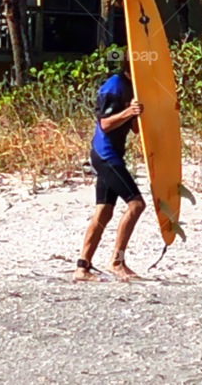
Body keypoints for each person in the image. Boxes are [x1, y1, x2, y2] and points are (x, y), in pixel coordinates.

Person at [74, 58, 145, 282]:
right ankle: (116, 261)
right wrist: (129, 111)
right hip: (105, 155)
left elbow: (135, 129)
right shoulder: (114, 85)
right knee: (136, 204)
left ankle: (82, 268)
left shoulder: (134, 88)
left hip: (113, 154)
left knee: (104, 212)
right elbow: (104, 124)